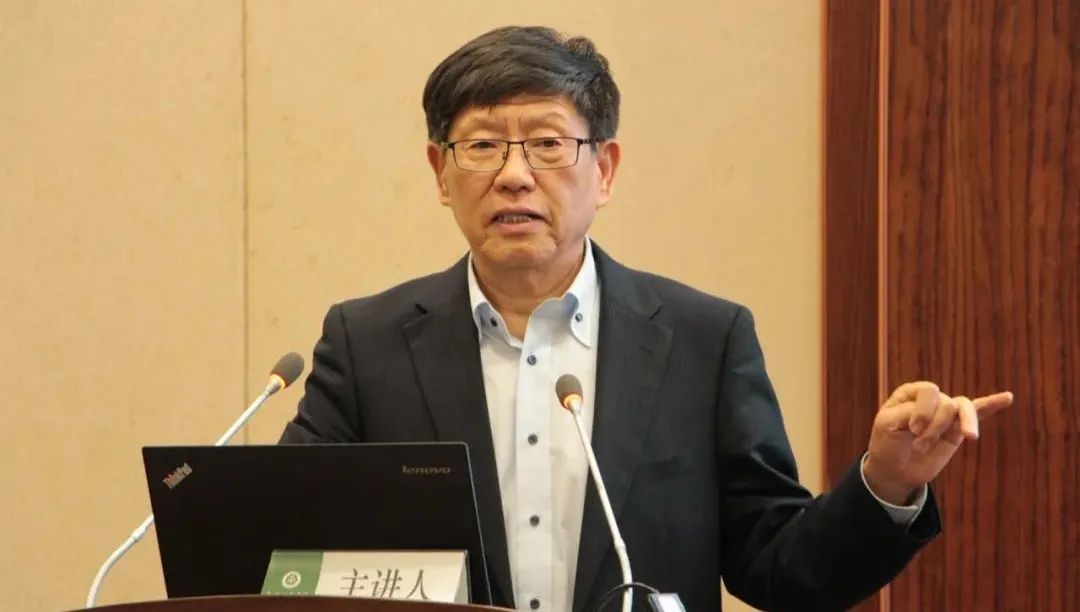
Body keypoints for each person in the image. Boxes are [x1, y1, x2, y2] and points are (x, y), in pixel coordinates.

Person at [279, 25, 1014, 612]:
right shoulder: (366, 345)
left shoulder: (704, 342)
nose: (514, 175)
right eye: (481, 146)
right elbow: (288, 543)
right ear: (441, 172)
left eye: (547, 143)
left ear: (604, 170)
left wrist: (886, 483)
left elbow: (780, 569)